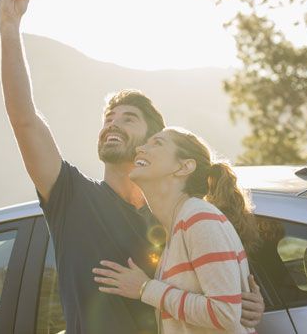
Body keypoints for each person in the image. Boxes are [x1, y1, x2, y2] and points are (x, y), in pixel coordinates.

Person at [0, 0, 265, 334]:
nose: (112, 124)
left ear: (152, 141)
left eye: (128, 119)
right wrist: (9, 26)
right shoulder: (71, 196)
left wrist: (251, 301)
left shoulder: (179, 216)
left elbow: (224, 287)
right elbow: (24, 119)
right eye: (109, 117)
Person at [93, 127, 259, 333]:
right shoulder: (180, 226)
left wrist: (145, 288)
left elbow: (225, 313)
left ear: (184, 167)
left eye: (157, 143)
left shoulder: (199, 218)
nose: (140, 148)